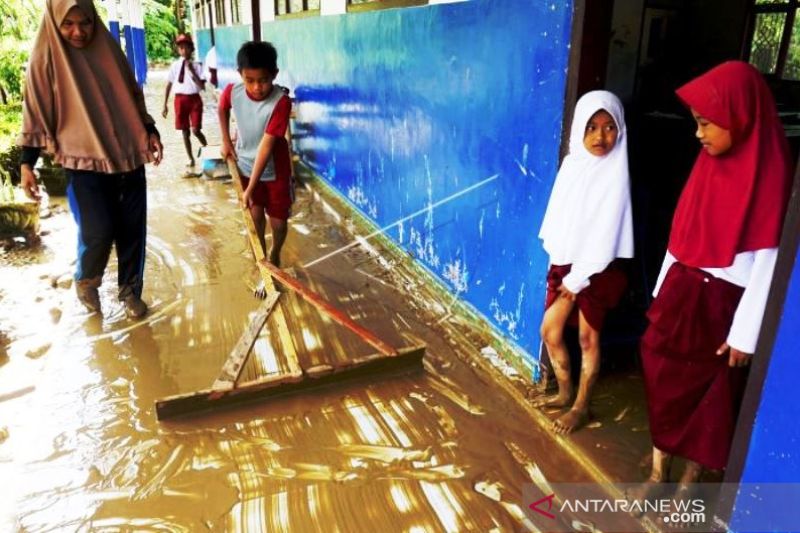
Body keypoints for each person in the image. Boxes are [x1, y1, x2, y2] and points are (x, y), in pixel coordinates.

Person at [638, 61, 792, 494]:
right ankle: (657, 472)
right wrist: (660, 293)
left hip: (725, 304)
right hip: (681, 290)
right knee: (662, 378)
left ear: (739, 114)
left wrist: (746, 333)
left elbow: (768, 266)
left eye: (706, 123)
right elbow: (681, 233)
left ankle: (690, 480)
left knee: (711, 397)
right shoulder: (706, 163)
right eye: (696, 123)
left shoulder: (773, 174)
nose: (698, 134)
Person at [19, 0, 163, 318]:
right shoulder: (45, 59)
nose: (78, 31)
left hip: (126, 152)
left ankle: (130, 290)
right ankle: (87, 280)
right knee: (98, 230)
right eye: (68, 24)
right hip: (80, 160)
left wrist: (149, 129)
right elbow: (35, 111)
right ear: (55, 22)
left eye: (84, 22)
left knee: (131, 228)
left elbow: (131, 93)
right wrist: (27, 162)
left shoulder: (108, 50)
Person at [536, 90, 634, 434]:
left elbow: (605, 236)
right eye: (591, 127)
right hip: (566, 266)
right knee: (550, 330)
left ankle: (581, 407)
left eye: (609, 127)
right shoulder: (573, 165)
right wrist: (561, 264)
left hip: (597, 270)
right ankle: (565, 392)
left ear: (620, 130)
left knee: (588, 340)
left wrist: (577, 281)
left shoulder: (615, 176)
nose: (600, 137)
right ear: (580, 128)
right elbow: (560, 218)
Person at [218, 41, 293, 299]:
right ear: (240, 75)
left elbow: (267, 145)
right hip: (245, 165)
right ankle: (266, 269)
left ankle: (275, 254)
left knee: (279, 222)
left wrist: (249, 188)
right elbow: (222, 107)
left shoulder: (281, 102)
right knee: (256, 219)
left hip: (275, 168)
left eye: (263, 80)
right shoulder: (233, 91)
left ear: (274, 74)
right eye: (250, 80)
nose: (256, 87)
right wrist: (226, 140)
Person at [162, 33, 207, 172]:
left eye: (186, 48)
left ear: (191, 49)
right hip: (180, 99)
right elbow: (169, 84)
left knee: (196, 130)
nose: (184, 51)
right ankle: (190, 158)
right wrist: (164, 104)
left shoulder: (198, 66)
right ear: (178, 50)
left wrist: (192, 71)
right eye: (181, 48)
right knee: (185, 131)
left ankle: (207, 149)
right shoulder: (175, 66)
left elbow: (202, 87)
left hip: (194, 100)